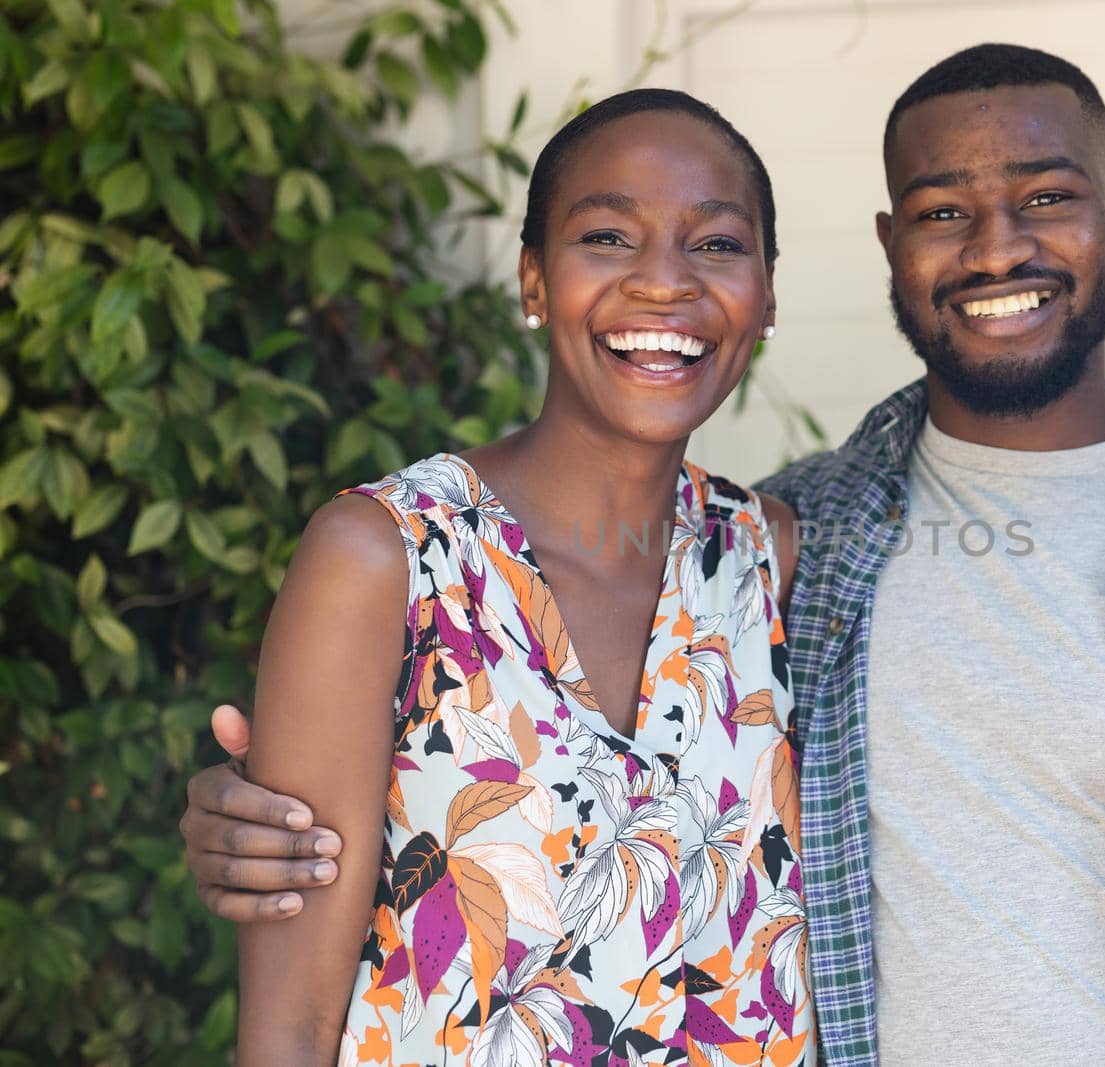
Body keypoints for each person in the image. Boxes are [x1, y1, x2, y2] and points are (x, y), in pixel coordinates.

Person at [183, 45, 1105, 1066]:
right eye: (944, 210)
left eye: (1047, 200)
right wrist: (250, 820)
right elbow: (319, 952)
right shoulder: (778, 547)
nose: (999, 247)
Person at [223, 88, 815, 1066]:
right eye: (607, 237)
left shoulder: (767, 560)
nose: (664, 283)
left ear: (767, 294)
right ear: (534, 280)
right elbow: (287, 1025)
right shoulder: (385, 557)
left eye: (714, 244)